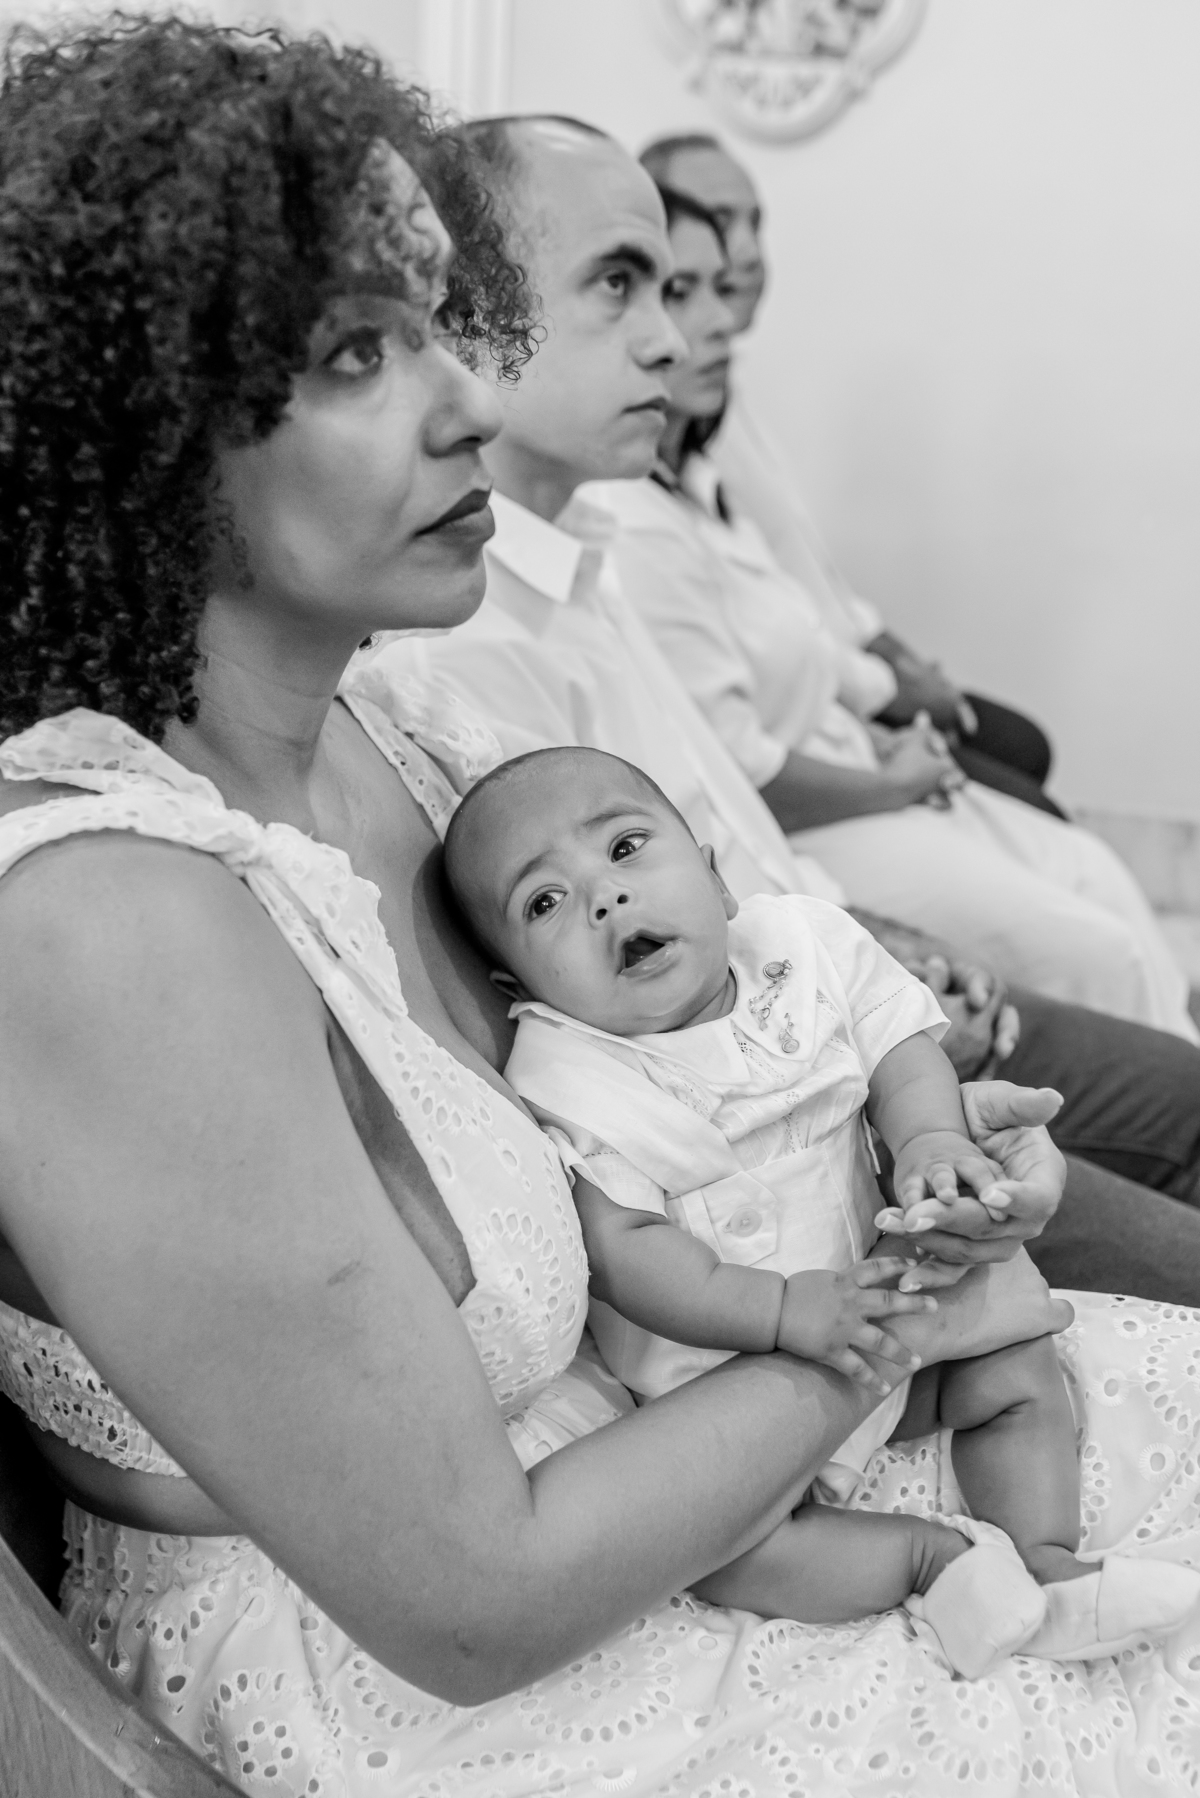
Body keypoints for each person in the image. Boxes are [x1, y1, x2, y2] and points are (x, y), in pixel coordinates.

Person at [1, 26, 1200, 1794]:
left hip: (714, 1453)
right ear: (138, 421)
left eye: (438, 320)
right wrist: (897, 1297)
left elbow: (692, 1076)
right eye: (355, 350)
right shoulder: (110, 910)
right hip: (465, 1673)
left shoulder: (411, 728)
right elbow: (472, 1596)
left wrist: (915, 1152)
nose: (471, 400)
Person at [383, 112, 1200, 1301]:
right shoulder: (468, 640)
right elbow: (619, 998)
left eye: (678, 288)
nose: (672, 341)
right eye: (621, 286)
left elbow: (732, 842)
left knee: (1175, 1073)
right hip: (810, 1104)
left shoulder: (588, 547)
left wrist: (892, 949)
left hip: (841, 972)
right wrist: (880, 1052)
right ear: (466, 316)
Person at [444, 744, 1198, 1674]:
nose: (603, 898)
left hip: (895, 1322)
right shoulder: (577, 1074)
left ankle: (1044, 1561)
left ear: (719, 882)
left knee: (1016, 1365)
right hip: (731, 1381)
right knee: (730, 1553)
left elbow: (900, 1050)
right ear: (523, 991)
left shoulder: (802, 949)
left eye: (627, 848)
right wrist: (782, 1312)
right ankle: (935, 1565)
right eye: (544, 903)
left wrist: (928, 1142)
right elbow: (624, 1246)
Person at [585, 182, 1197, 1038]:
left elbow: (812, 624)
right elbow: (742, 767)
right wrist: (891, 775)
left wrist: (886, 712)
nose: (709, 323)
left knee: (1090, 869)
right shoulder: (633, 529)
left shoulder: (699, 474)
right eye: (670, 291)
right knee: (1093, 947)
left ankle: (1176, 1044)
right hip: (827, 823)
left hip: (858, 761)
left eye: (711, 285)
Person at [640, 130, 1065, 819]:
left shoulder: (722, 401)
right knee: (1027, 793)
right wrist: (882, 695)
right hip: (810, 706)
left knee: (1024, 766)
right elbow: (757, 655)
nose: (745, 249)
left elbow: (806, 576)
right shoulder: (656, 440)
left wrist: (892, 655)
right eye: (721, 222)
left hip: (831, 678)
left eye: (755, 221)